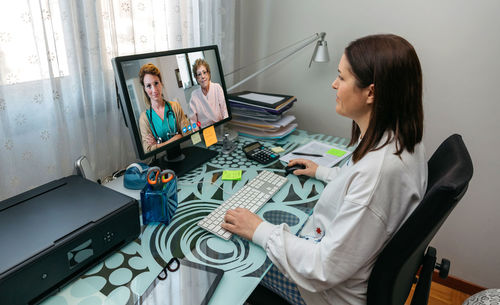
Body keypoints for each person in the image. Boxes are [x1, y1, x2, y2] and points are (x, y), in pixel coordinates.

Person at [221, 34, 427, 305]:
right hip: (345, 267)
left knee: (231, 258)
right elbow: (358, 188)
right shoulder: (402, 139)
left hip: (326, 294)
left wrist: (258, 228)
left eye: (341, 77)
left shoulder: (379, 173)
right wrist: (322, 172)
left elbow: (323, 268)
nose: (333, 84)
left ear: (372, 92)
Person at [138, 63, 191, 153]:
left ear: (161, 83)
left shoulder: (175, 107)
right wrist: (177, 137)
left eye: (156, 83)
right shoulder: (144, 118)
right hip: (162, 161)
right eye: (149, 86)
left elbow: (187, 134)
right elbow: (148, 150)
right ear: (145, 89)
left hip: (183, 153)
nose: (154, 90)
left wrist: (157, 145)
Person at [188, 58, 228, 128]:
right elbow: (193, 122)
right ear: (196, 78)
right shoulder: (194, 96)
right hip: (206, 133)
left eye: (204, 72)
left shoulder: (217, 88)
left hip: (221, 127)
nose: (203, 76)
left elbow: (225, 112)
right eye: (199, 74)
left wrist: (225, 127)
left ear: (208, 74)